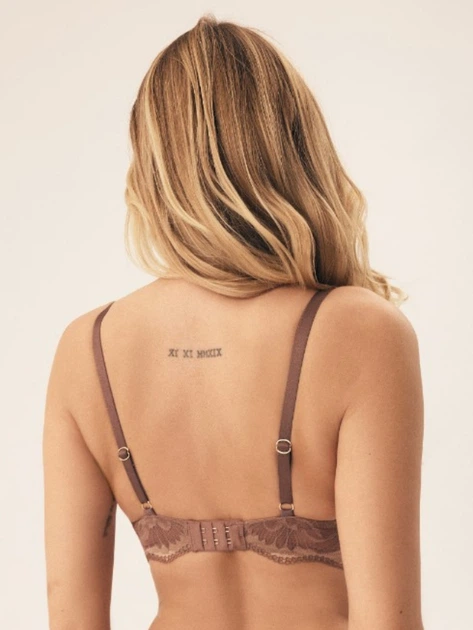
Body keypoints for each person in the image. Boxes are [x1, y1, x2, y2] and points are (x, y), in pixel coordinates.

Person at [43, 13, 424, 630]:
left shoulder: (87, 349)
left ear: (154, 163)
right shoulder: (361, 332)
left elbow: (71, 619)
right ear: (294, 144)